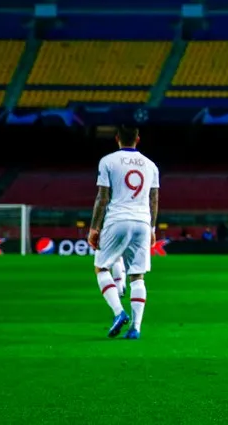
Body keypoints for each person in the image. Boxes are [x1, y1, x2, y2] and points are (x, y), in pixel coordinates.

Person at [87, 125, 160, 340]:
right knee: (137, 276)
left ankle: (119, 312)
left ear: (117, 138)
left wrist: (94, 228)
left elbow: (102, 197)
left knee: (101, 268)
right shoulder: (151, 165)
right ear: (138, 139)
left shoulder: (108, 161)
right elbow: (154, 199)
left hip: (118, 218)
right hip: (142, 221)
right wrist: (152, 228)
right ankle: (135, 328)